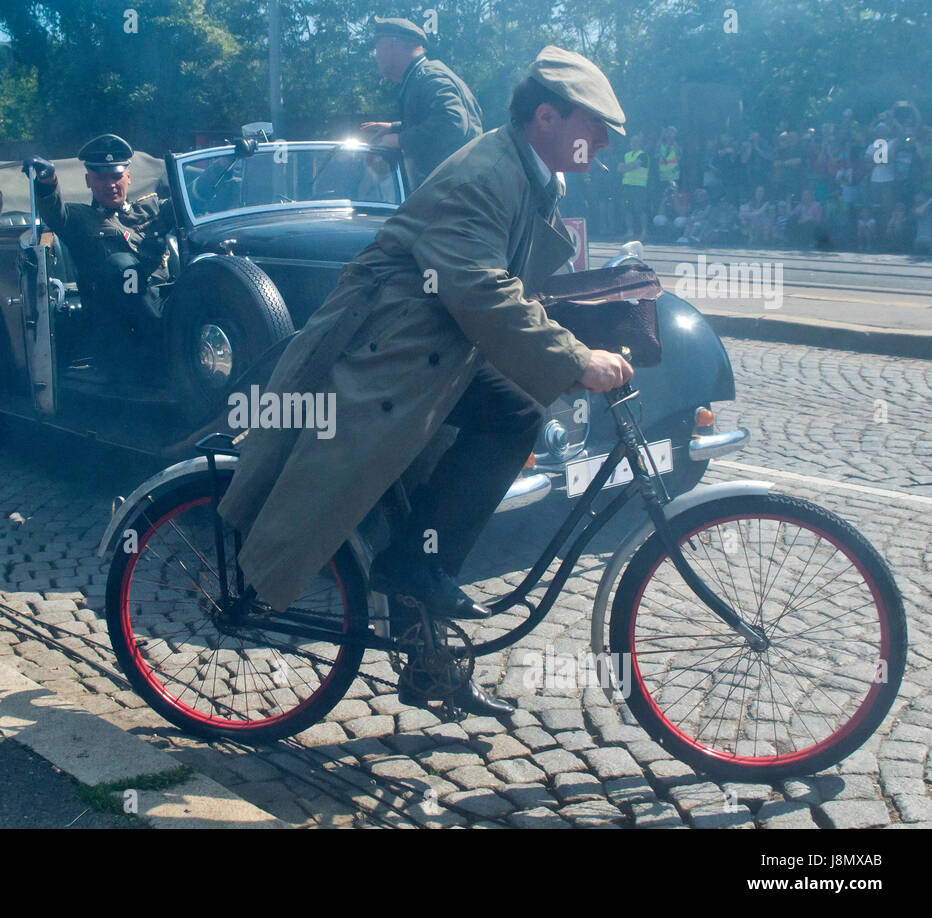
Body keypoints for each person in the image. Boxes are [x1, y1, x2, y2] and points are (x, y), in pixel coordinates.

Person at [218, 46, 633, 716]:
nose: (606, 142)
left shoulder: (527, 173)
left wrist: (591, 321)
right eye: (596, 125)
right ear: (548, 118)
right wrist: (572, 360)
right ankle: (406, 571)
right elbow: (480, 289)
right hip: (391, 353)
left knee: (507, 423)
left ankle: (426, 637)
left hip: (433, 348)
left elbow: (505, 282)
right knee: (394, 480)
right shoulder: (488, 173)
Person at [24, 133, 174, 339]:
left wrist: (222, 167)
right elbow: (54, 213)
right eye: (101, 178)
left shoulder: (149, 208)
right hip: (115, 321)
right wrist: (47, 181)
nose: (110, 184)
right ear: (88, 181)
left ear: (128, 177)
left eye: (116, 176)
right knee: (122, 265)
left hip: (165, 302)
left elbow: (190, 200)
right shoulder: (80, 218)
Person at [359, 16, 483, 188]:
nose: (376, 56)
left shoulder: (429, 77)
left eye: (377, 47)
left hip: (455, 196)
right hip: (454, 191)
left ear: (392, 45)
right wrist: (394, 127)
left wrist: (399, 140)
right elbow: (435, 121)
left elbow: (454, 124)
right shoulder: (421, 77)